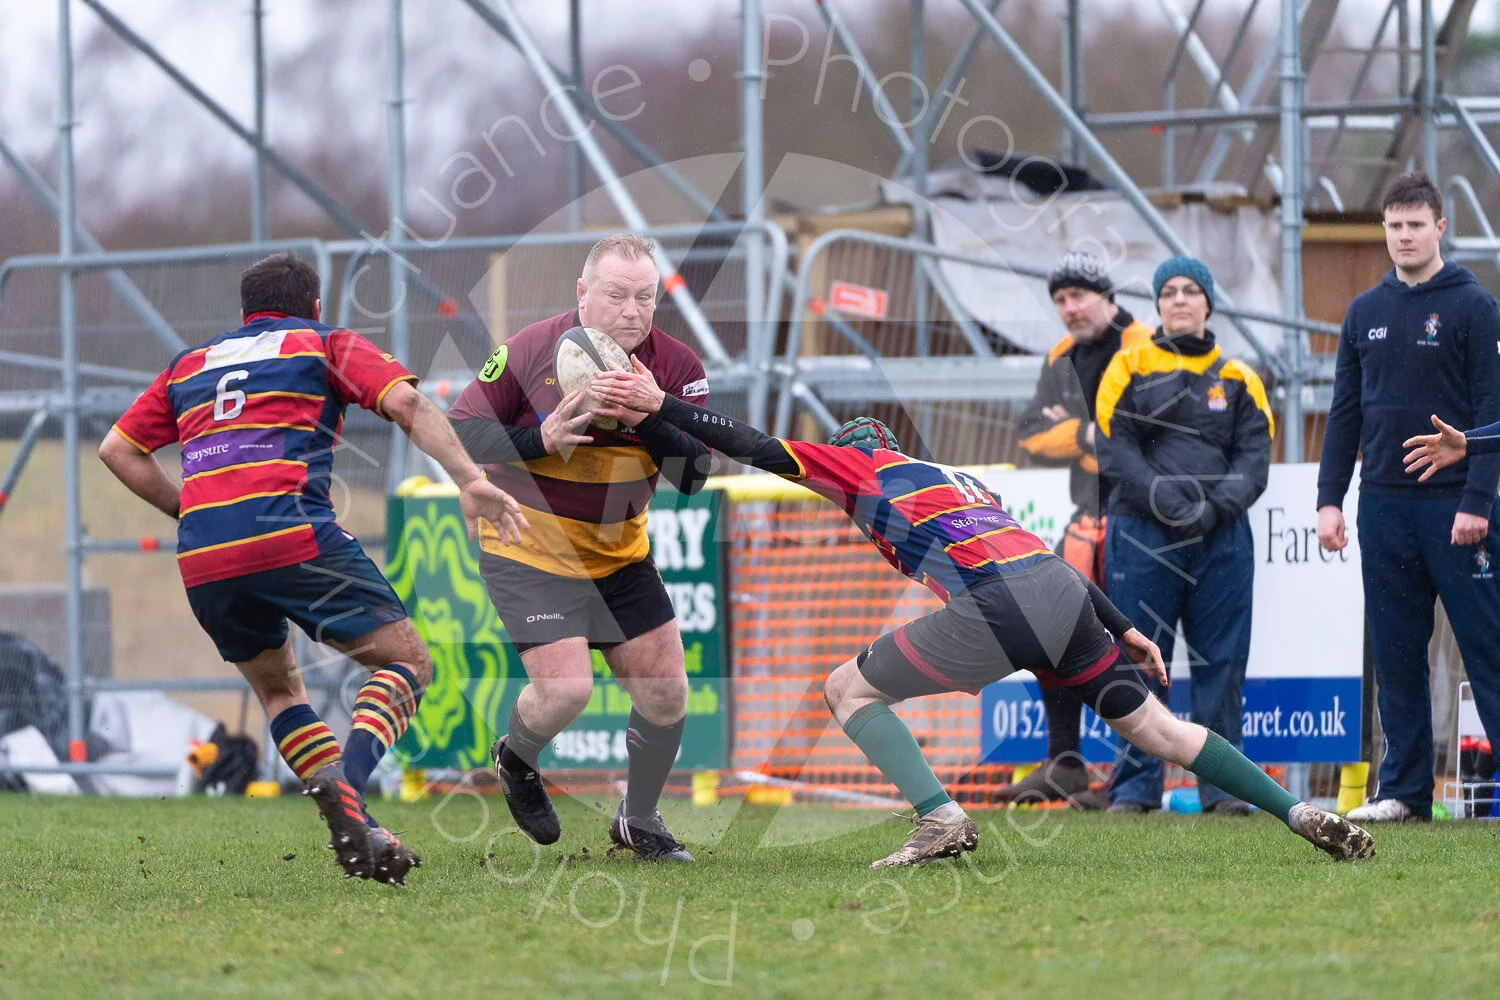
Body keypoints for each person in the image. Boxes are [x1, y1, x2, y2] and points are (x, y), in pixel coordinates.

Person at [589, 370, 1373, 867]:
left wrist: (661, 405)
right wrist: (1125, 624)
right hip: (1060, 594)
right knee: (1163, 733)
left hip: (1002, 605)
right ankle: (1298, 812)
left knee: (846, 690)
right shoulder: (958, 479)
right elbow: (1048, 560)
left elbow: (755, 446)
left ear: (858, 453)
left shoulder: (863, 467)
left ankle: (940, 819)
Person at [98, 251, 528, 885]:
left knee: (277, 690)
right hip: (291, 531)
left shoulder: (189, 364)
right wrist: (469, 479)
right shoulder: (324, 342)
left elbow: (117, 449)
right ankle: (350, 792)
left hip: (205, 554)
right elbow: (409, 406)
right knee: (407, 662)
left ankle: (358, 829)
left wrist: (192, 510)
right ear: (316, 306)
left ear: (244, 313)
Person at [447, 233, 711, 861]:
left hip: (618, 556)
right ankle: (515, 758)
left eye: (644, 297)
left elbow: (695, 476)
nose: (631, 310)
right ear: (582, 293)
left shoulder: (677, 368)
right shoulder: (529, 349)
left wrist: (650, 415)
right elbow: (461, 430)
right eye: (616, 295)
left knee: (667, 693)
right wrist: (538, 439)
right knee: (566, 692)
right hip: (528, 549)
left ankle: (638, 820)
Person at [1318, 171, 1500, 824]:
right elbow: (1344, 414)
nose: (1403, 236)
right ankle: (1404, 792)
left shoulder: (1474, 305)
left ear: (1440, 228)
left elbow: (1490, 406)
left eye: (1415, 224)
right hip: (1384, 507)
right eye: (1393, 226)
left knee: (1488, 649)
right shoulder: (1364, 312)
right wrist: (1330, 500)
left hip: (1458, 505)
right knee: (1396, 654)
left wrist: (1477, 501)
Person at [1094, 255, 1274, 815]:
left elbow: (1255, 456)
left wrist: (1214, 507)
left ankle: (1225, 792)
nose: (1179, 299)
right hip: (1143, 533)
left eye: (1190, 290)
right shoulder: (1126, 367)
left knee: (1221, 662)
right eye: (1168, 291)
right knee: (1141, 659)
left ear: (1208, 303)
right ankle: (1133, 790)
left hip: (1220, 538)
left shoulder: (1240, 377)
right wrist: (1170, 502)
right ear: (1157, 304)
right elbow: (1114, 448)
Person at [999, 251, 1153, 807]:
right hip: (1083, 518)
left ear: (1108, 296)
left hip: (1141, 518)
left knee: (1131, 639)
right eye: (1060, 300)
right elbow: (1028, 434)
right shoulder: (1061, 355)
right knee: (1048, 627)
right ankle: (1066, 761)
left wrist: (1084, 433)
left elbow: (1133, 437)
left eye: (1077, 296)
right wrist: (1088, 437)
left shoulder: (1146, 345)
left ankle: (1132, 781)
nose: (1068, 308)